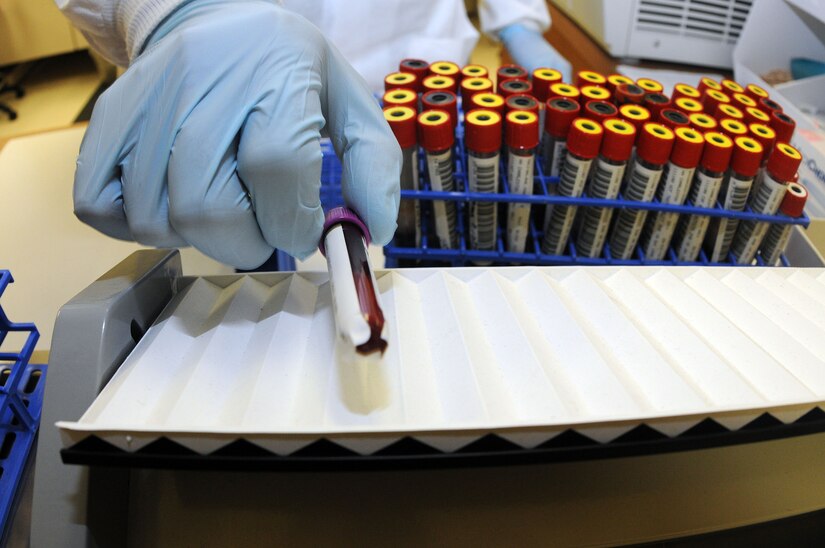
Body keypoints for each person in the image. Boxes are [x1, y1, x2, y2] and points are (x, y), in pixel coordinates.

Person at [56, 0, 571, 269]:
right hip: (252, 74)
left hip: (424, 83)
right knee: (246, 237)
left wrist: (517, 19)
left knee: (426, 228)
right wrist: (172, 7)